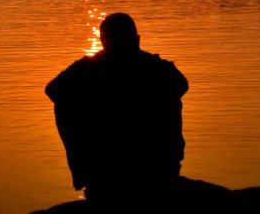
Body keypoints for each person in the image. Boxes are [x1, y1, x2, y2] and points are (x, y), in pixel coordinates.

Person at [45, 12, 188, 210]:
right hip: (159, 169)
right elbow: (182, 85)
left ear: (103, 41)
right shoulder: (159, 68)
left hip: (108, 170)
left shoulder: (89, 69)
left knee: (65, 104)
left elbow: (53, 90)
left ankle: (87, 172)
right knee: (170, 96)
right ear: (137, 39)